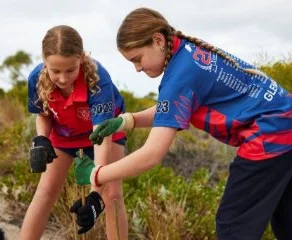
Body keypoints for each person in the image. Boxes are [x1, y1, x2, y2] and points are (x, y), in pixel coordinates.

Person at [69, 7, 292, 240]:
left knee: (233, 227)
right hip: (286, 122)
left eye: (137, 59)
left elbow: (151, 154)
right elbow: (176, 106)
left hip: (269, 137)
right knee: (287, 222)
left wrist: (97, 174)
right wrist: (128, 121)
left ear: (157, 41)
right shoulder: (187, 52)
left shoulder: (179, 76)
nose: (137, 68)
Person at [20, 25, 129, 240]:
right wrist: (41, 138)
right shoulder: (36, 78)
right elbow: (43, 113)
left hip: (104, 131)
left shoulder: (98, 79)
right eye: (55, 71)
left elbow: (101, 137)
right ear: (44, 61)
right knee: (46, 191)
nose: (62, 78)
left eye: (70, 70)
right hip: (64, 133)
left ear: (81, 58)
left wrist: (95, 194)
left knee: (112, 195)